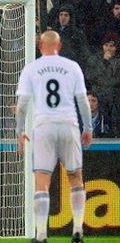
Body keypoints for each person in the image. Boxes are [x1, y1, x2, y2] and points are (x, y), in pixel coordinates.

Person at [15, 30, 92, 243]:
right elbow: (83, 101)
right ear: (60, 46)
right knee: (75, 177)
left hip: (43, 126)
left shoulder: (31, 68)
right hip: (69, 125)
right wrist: (88, 128)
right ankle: (77, 229)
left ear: (40, 45)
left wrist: (21, 131)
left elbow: (21, 105)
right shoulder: (72, 66)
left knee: (42, 181)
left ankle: (41, 234)